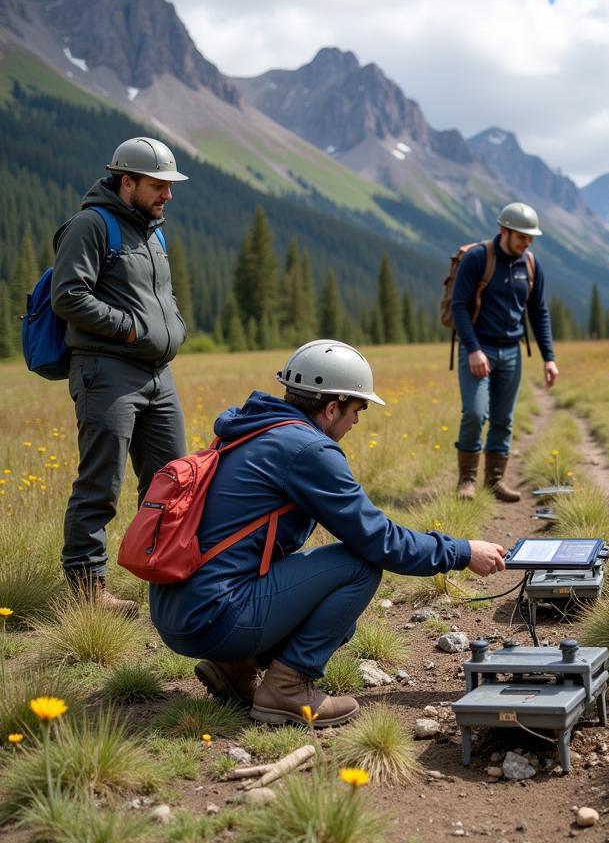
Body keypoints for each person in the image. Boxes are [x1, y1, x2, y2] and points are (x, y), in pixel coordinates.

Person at [149, 339, 507, 727]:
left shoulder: (254, 430)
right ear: (332, 407)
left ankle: (237, 668)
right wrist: (462, 551)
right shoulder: (308, 450)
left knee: (340, 618)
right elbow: (381, 541)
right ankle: (286, 689)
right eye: (358, 408)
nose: (357, 421)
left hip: (177, 611)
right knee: (359, 565)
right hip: (214, 617)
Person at [51, 137, 190, 614]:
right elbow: (68, 296)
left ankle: (166, 575)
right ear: (126, 181)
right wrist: (131, 330)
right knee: (100, 483)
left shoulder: (154, 232)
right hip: (106, 373)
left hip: (158, 375)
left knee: (172, 480)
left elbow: (158, 295)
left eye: (170, 186)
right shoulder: (91, 226)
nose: (167, 195)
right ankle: (88, 592)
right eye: (158, 186)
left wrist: (174, 325)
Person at [450, 202, 558, 501]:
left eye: (531, 238)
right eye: (522, 236)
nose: (527, 242)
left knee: (503, 418)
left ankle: (494, 482)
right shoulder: (477, 258)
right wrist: (473, 349)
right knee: (474, 413)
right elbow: (459, 306)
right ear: (503, 230)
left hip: (511, 352)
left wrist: (549, 357)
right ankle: (467, 481)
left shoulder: (531, 264)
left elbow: (538, 312)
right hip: (478, 348)